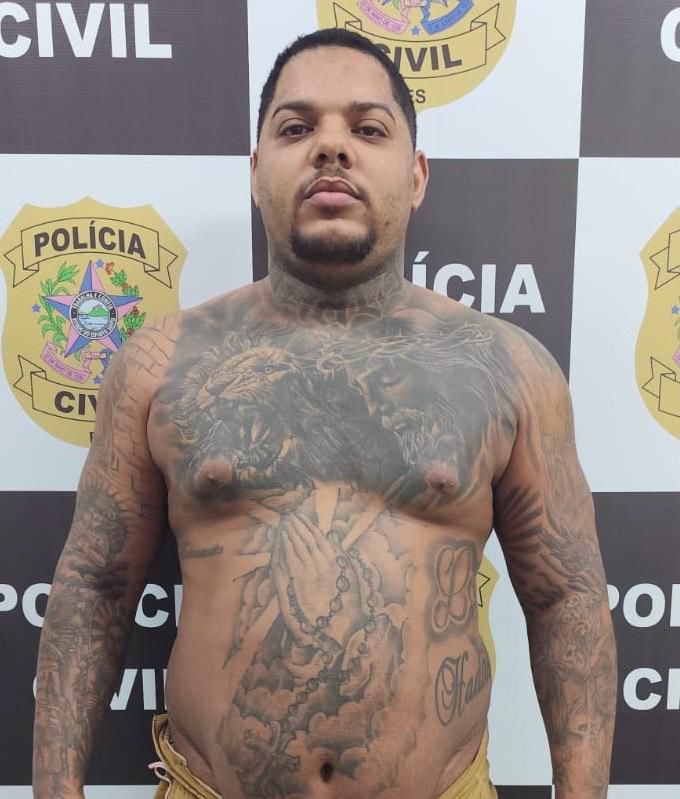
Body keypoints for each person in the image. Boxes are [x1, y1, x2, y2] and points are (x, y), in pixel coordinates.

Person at [32, 27, 617, 799]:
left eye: (368, 129)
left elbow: (566, 598)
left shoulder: (508, 368)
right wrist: (55, 788)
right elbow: (96, 588)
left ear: (415, 175)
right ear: (255, 171)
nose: (331, 147)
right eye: (296, 127)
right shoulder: (159, 363)